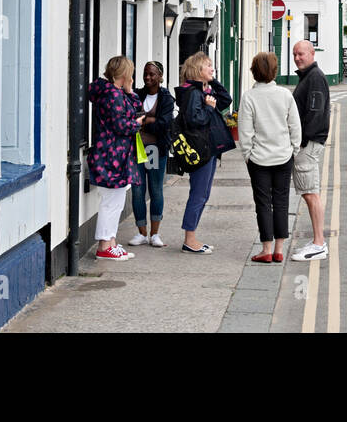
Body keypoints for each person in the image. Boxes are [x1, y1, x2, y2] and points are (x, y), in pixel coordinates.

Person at [238, 52, 301, 263]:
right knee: (282, 201)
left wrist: (248, 155)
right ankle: (279, 249)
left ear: (254, 71)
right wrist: (294, 150)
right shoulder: (285, 95)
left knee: (263, 203)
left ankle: (266, 249)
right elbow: (295, 126)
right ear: (274, 71)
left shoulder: (249, 97)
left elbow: (245, 132)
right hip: (283, 156)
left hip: (258, 160)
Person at [175, 52, 236, 254]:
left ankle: (192, 237)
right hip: (201, 151)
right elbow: (196, 120)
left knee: (203, 194)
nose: (212, 68)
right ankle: (189, 239)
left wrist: (213, 81)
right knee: (198, 195)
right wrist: (209, 108)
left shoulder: (202, 91)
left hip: (208, 150)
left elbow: (226, 100)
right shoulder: (193, 94)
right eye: (208, 66)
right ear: (197, 70)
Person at [87, 56, 145, 261]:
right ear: (124, 73)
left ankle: (110, 242)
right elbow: (121, 125)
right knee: (111, 202)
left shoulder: (115, 93)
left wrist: (130, 91)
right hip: (111, 154)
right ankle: (104, 245)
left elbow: (136, 108)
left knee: (116, 200)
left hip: (113, 154)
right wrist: (137, 124)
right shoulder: (112, 95)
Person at [290, 40, 331, 262]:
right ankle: (317, 241)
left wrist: (302, 142)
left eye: (301, 54)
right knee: (309, 192)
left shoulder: (315, 78)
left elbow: (315, 113)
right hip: (309, 142)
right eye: (295, 54)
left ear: (312, 54)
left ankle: (318, 243)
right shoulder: (309, 77)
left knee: (310, 192)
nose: (297, 57)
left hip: (309, 143)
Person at [127, 61, 174, 248]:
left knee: (155, 190)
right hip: (137, 149)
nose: (148, 77)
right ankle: (141, 233)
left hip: (156, 149)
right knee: (138, 191)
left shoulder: (166, 98)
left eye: (152, 74)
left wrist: (143, 120)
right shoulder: (137, 95)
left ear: (160, 76)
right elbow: (130, 117)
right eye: (146, 74)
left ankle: (155, 234)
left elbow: (164, 124)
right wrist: (149, 120)